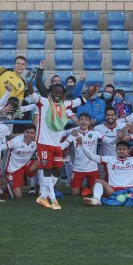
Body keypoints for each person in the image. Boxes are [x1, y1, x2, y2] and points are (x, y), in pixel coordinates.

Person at [28, 75, 88, 210]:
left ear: (63, 95)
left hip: (56, 144)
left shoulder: (64, 105)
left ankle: (43, 196)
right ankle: (53, 199)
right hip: (43, 142)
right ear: (51, 93)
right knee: (47, 170)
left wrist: (90, 92)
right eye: (55, 92)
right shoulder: (43, 102)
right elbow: (32, 92)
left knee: (58, 169)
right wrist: (29, 81)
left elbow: (80, 101)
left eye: (60, 93)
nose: (57, 95)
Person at [60, 113, 122, 196]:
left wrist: (118, 138)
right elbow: (64, 145)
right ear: (78, 121)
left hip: (92, 168)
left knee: (96, 192)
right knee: (74, 193)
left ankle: (87, 188)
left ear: (89, 122)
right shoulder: (73, 134)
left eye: (86, 120)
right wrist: (51, 146)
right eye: (81, 119)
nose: (84, 121)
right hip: (78, 168)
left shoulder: (95, 133)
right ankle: (84, 187)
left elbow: (110, 141)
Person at [0, 124, 38, 199]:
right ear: (23, 132)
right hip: (13, 169)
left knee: (43, 161)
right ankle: (7, 187)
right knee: (18, 196)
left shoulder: (37, 140)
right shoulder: (16, 141)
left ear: (35, 134)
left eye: (32, 133)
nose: (29, 135)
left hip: (25, 165)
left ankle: (40, 188)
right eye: (27, 132)